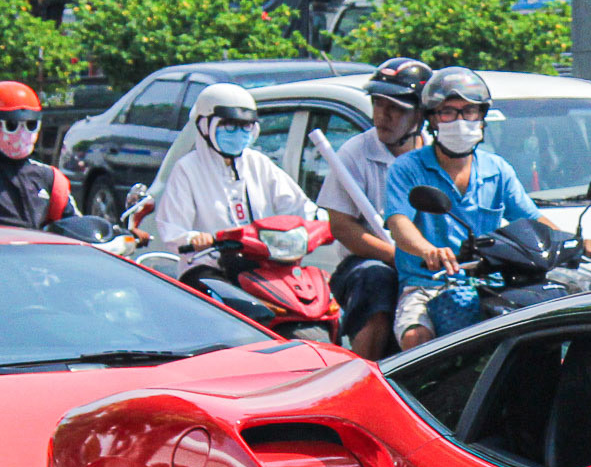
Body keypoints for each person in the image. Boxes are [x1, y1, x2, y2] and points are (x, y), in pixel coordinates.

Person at [385, 66, 591, 349]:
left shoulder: (497, 169)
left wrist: (573, 242)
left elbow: (531, 218)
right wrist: (429, 251)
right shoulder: (407, 168)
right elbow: (399, 224)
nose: (460, 120)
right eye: (448, 112)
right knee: (416, 338)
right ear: (432, 119)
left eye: (469, 111)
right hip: (429, 284)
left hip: (495, 282)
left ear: (482, 117)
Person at [316, 57, 430, 358]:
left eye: (395, 108)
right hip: (370, 262)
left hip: (431, 262)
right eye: (378, 104)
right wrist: (395, 256)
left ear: (421, 114)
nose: (383, 115)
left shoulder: (437, 154)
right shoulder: (356, 152)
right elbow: (342, 226)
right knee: (376, 279)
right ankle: (367, 370)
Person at [152, 83, 314, 276]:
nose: (239, 133)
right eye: (229, 125)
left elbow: (295, 204)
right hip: (209, 266)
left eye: (246, 126)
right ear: (205, 125)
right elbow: (172, 228)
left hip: (263, 263)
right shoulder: (187, 169)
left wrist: (317, 218)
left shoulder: (258, 163)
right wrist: (194, 238)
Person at [0, 81, 72, 230]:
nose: (22, 133)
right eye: (12, 125)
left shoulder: (49, 178)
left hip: (37, 244)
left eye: (31, 124)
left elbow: (74, 227)